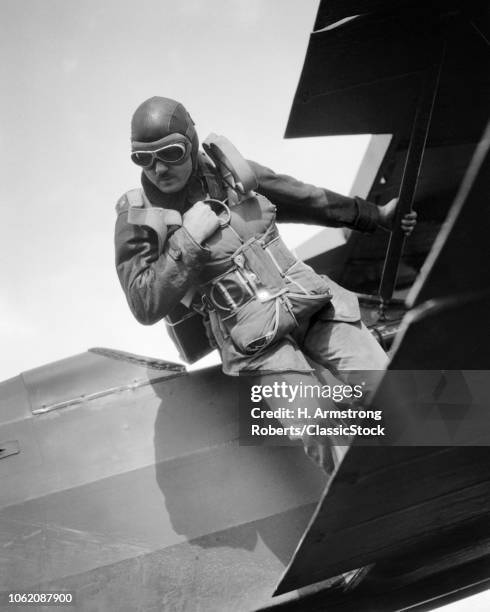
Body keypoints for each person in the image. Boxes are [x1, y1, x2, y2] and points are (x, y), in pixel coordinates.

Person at [115, 96, 416, 474]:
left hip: (312, 305)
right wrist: (187, 241)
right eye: (143, 159)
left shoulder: (232, 174)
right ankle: (366, 500)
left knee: (387, 385)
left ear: (190, 143)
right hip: (256, 342)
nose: (158, 168)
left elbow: (305, 198)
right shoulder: (138, 218)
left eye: (170, 153)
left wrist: (376, 216)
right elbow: (143, 303)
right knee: (316, 427)